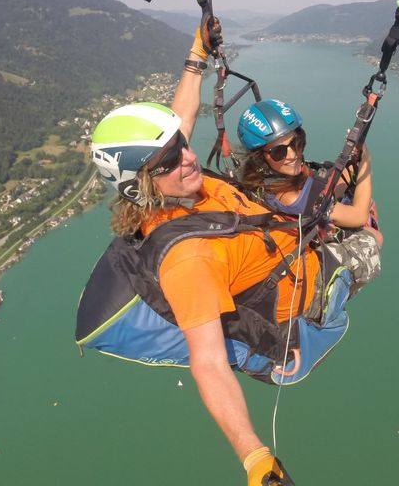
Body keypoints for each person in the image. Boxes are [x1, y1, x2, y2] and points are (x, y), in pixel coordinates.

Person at [87, 27, 375, 485]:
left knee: (323, 196)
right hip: (302, 286)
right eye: (168, 162)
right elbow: (208, 362)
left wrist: (196, 54)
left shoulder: (178, 180)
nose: (187, 159)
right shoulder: (187, 261)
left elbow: (180, 121)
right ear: (138, 186)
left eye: (181, 146)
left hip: (286, 238)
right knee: (373, 239)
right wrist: (255, 457)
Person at [237, 98, 383, 285]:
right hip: (306, 259)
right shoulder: (291, 197)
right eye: (278, 152)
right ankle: (338, 290)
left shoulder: (259, 177)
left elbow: (321, 191)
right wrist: (366, 163)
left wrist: (352, 162)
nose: (292, 155)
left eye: (296, 143)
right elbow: (359, 216)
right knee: (375, 234)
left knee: (348, 181)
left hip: (300, 211)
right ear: (260, 158)